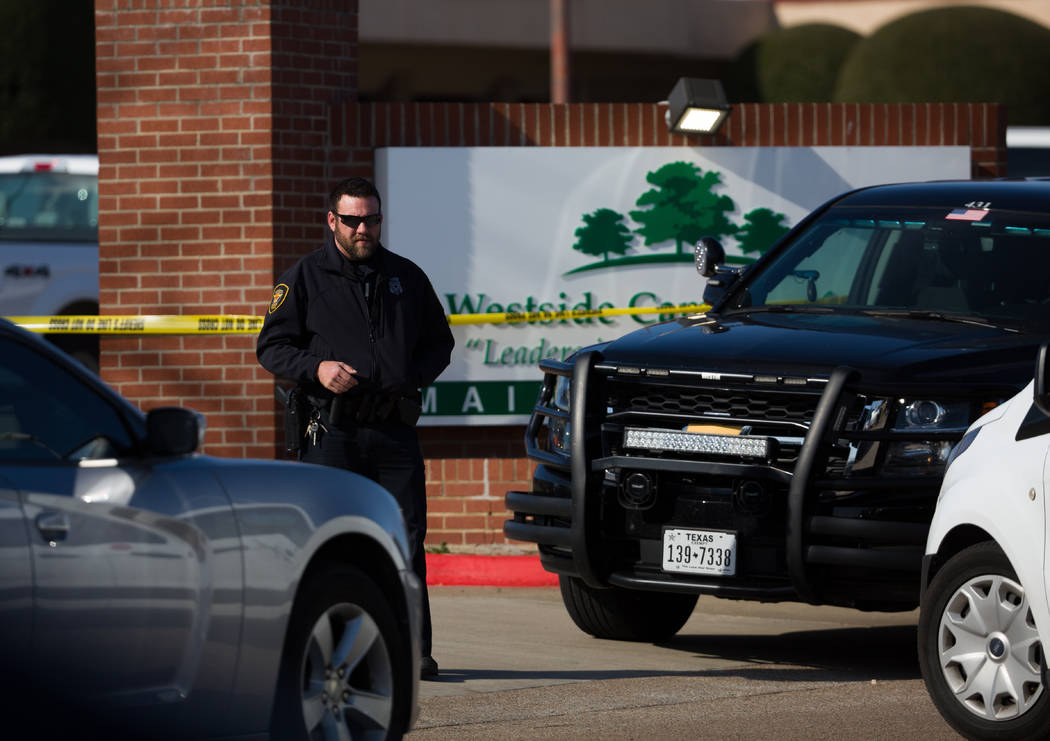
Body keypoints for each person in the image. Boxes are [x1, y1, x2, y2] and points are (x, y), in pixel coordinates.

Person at [257, 176, 454, 680]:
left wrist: (410, 377)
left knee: (405, 540)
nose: (363, 228)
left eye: (371, 218)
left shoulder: (406, 277)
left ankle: (412, 650)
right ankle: (328, 654)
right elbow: (272, 348)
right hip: (332, 434)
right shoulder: (304, 277)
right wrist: (317, 369)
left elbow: (440, 343)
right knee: (331, 542)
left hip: (393, 434)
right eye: (352, 220)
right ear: (332, 221)